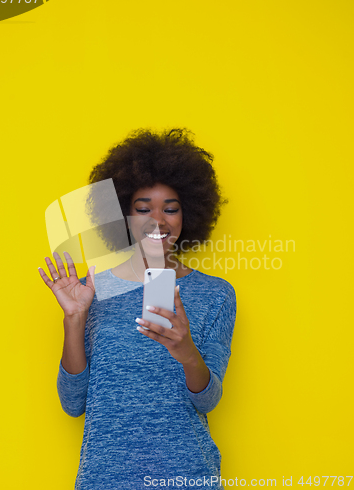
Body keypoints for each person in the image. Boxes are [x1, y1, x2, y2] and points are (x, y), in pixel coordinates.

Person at [38, 128, 237, 489]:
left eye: (170, 209)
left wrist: (186, 351)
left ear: (188, 214)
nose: (157, 220)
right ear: (124, 216)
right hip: (105, 479)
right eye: (143, 208)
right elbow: (72, 403)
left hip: (187, 476)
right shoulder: (92, 291)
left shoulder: (216, 294)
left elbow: (208, 401)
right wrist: (74, 318)